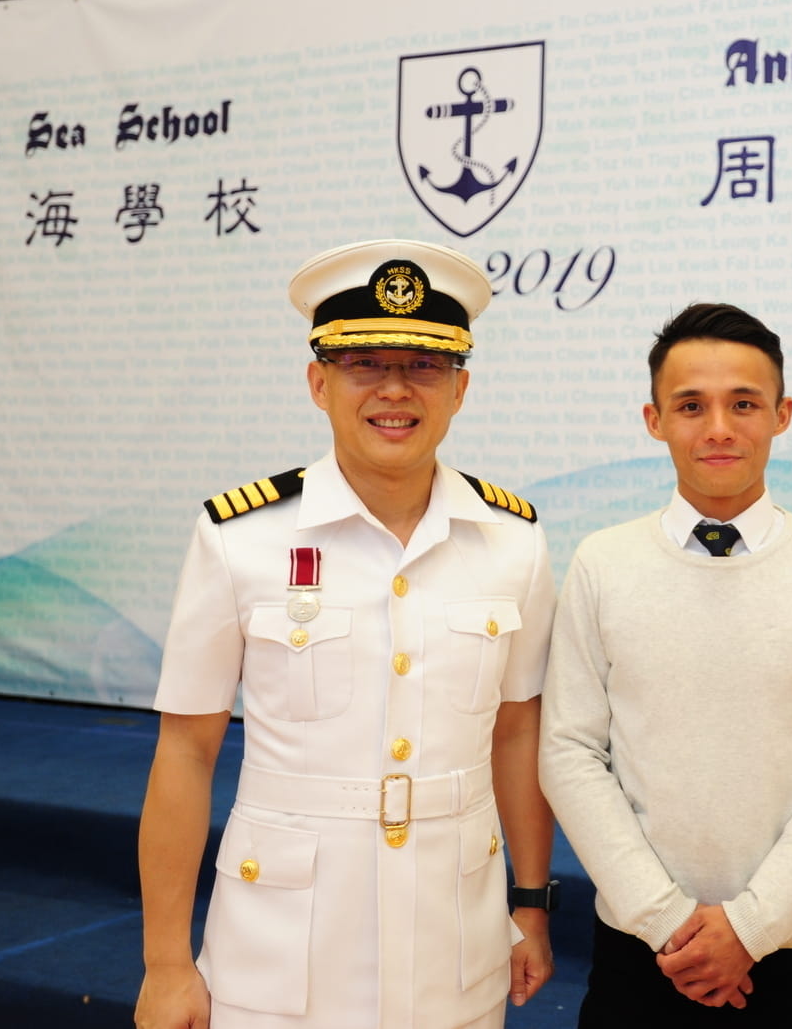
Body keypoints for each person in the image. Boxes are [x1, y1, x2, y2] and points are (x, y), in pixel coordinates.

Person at [136, 239, 558, 1029]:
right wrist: (165, 964)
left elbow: (517, 731)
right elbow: (186, 752)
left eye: (424, 365)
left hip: (455, 944)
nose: (395, 389)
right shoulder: (239, 537)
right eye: (364, 363)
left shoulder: (513, 541)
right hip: (282, 956)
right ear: (318, 383)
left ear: (460, 388)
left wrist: (530, 903)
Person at [539, 302, 792, 1027]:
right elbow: (570, 749)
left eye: (744, 404)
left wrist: (751, 926)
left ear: (782, 414)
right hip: (638, 948)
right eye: (691, 406)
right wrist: (666, 919)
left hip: (787, 951)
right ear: (654, 420)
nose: (720, 428)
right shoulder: (602, 564)